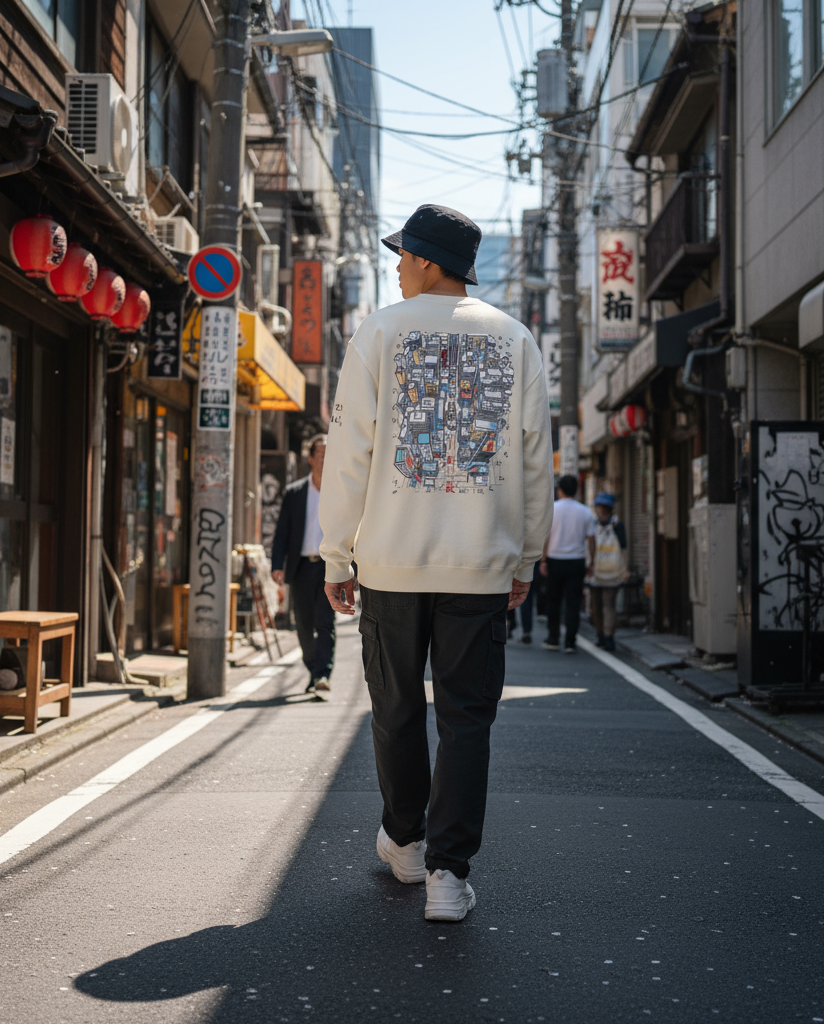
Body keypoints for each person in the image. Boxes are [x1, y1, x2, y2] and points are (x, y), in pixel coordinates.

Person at [318, 204, 554, 922]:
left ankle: (406, 839)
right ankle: (449, 874)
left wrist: (336, 552)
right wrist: (529, 554)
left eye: (401, 255)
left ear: (424, 260)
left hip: (389, 561)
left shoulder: (382, 331)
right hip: (480, 563)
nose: (394, 265)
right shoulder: (515, 339)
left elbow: (350, 449)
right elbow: (537, 456)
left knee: (393, 709)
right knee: (466, 720)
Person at [271, 435, 335, 694]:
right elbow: (282, 532)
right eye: (320, 454)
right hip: (301, 567)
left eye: (328, 454)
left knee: (325, 622)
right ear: (309, 459)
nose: (324, 460)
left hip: (330, 567)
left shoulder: (340, 492)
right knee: (304, 625)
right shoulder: (294, 493)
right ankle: (313, 668)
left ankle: (322, 674)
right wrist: (277, 565)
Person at [540, 475, 595, 654]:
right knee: (573, 603)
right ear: (577, 490)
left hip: (555, 560)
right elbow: (591, 539)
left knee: (553, 601)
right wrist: (591, 561)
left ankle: (553, 638)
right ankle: (570, 642)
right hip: (576, 561)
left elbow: (545, 537)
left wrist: (543, 560)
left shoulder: (552, 509)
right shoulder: (585, 511)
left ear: (560, 490)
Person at [588, 492, 627, 651]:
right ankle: (608, 635)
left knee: (597, 606)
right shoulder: (618, 525)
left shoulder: (593, 524)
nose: (599, 510)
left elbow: (588, 547)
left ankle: (602, 636)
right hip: (612, 571)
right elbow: (624, 548)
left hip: (596, 570)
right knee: (608, 606)